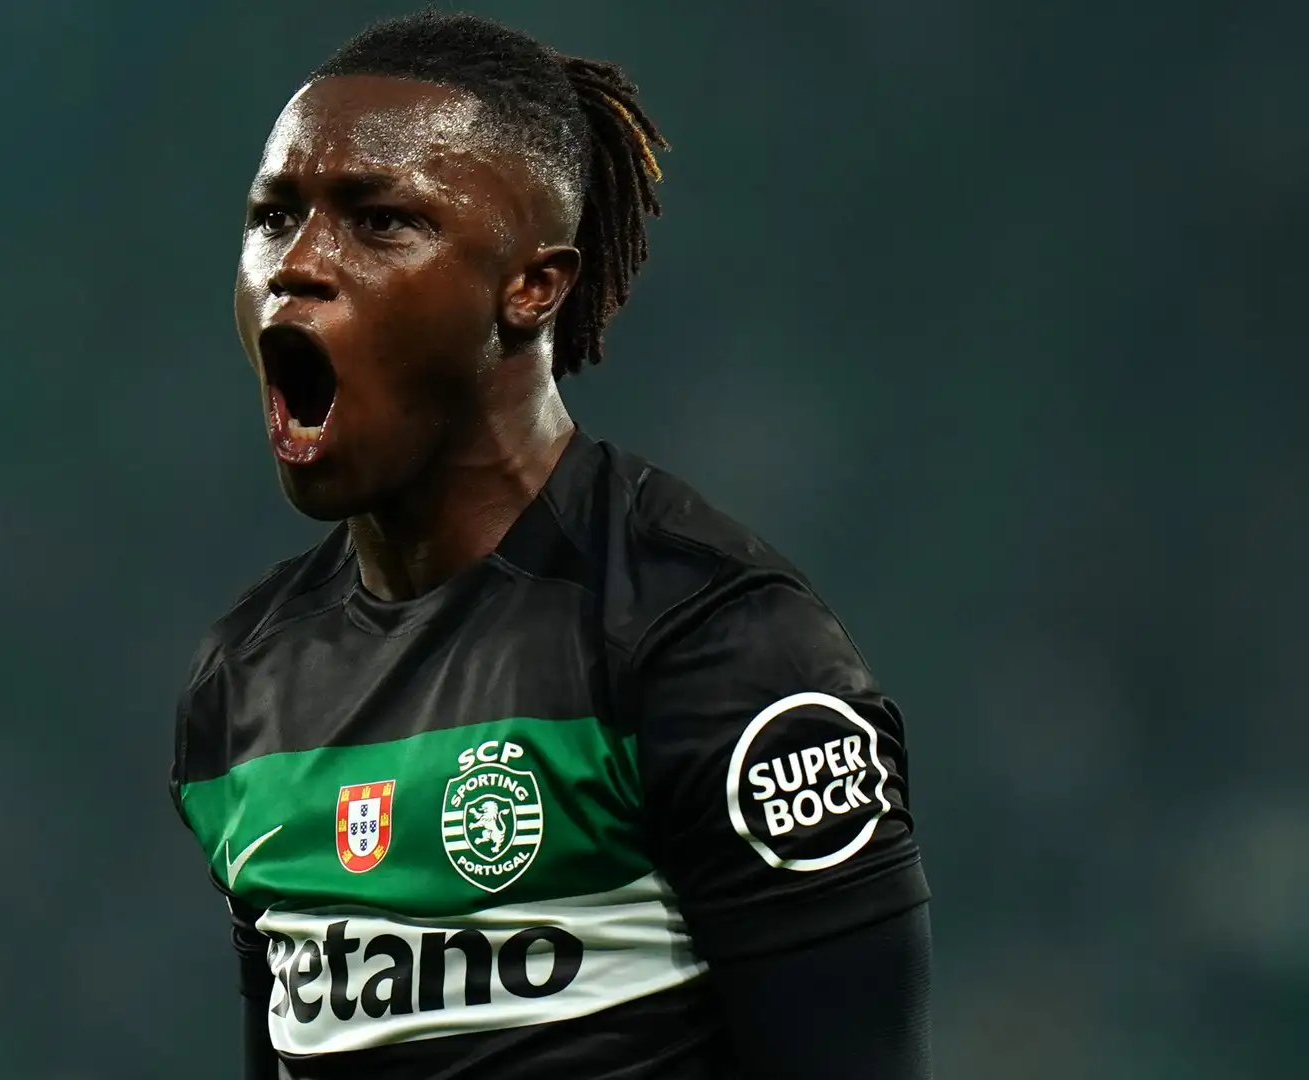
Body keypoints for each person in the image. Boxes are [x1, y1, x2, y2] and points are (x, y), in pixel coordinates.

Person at [170, 11, 932, 1078]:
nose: (298, 264)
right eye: (274, 217)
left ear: (533, 286)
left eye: (381, 221)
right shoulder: (243, 688)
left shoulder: (712, 649)